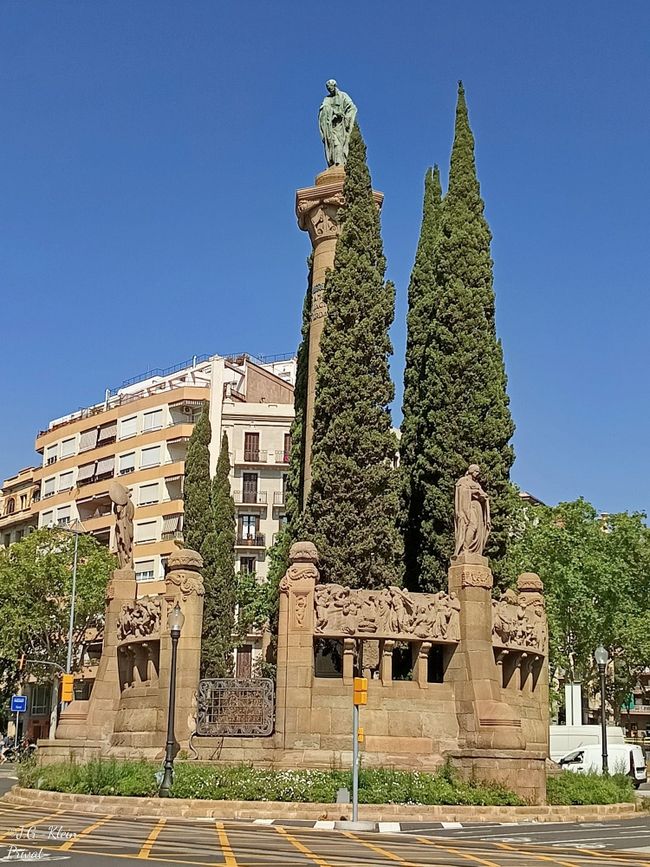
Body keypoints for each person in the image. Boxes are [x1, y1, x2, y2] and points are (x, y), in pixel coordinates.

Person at [453, 464, 491, 558]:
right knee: (472, 526)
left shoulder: (477, 484)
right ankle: (465, 549)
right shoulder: (463, 480)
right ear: (471, 471)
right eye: (476, 471)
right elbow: (461, 493)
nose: (477, 474)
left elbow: (482, 495)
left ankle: (475, 552)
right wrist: (474, 492)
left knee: (479, 529)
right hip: (468, 507)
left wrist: (483, 496)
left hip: (478, 508)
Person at [318, 80, 357, 167]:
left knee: (342, 143)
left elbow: (352, 108)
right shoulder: (327, 99)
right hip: (331, 126)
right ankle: (337, 162)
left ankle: (341, 163)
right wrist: (333, 113)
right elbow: (324, 108)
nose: (329, 90)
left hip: (342, 125)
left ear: (334, 86)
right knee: (334, 143)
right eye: (328, 89)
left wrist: (346, 118)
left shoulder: (343, 96)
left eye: (330, 88)